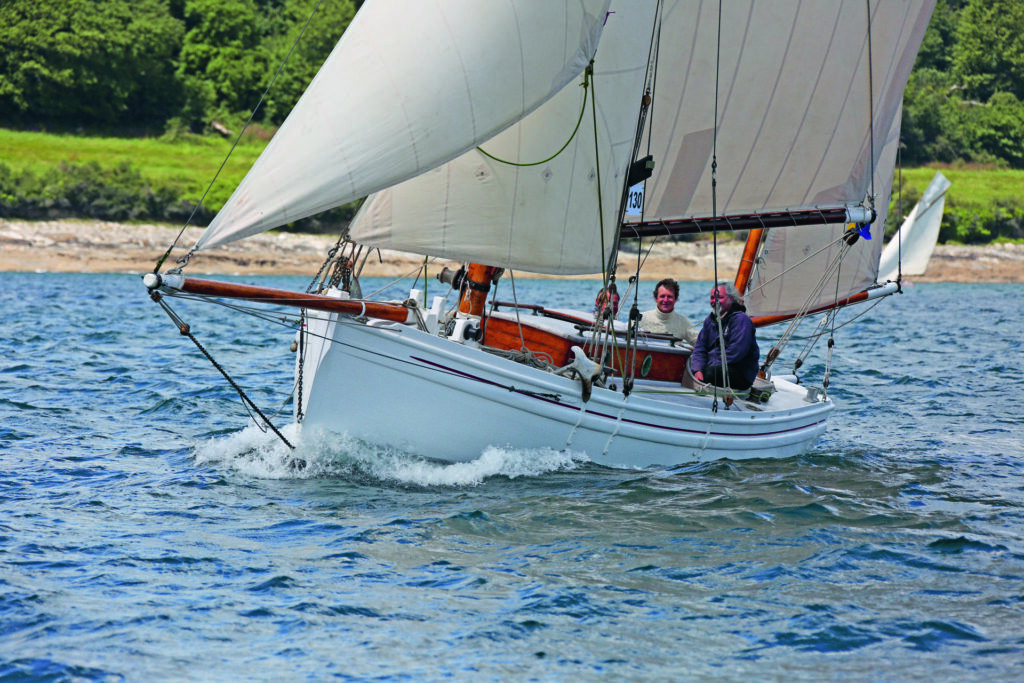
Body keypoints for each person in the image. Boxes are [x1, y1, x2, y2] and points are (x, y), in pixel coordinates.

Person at [690, 281, 760, 391]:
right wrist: (698, 370)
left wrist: (706, 368)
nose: (715, 301)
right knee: (687, 367)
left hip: (740, 373)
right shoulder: (710, 320)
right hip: (714, 367)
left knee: (709, 373)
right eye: (712, 298)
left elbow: (736, 352)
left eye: (719, 297)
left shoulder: (741, 320)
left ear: (731, 299)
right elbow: (700, 348)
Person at [640, 278, 697, 344]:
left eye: (669, 296)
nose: (666, 300)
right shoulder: (641, 319)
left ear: (675, 299)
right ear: (656, 298)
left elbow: (701, 344)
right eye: (662, 296)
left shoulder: (683, 322)